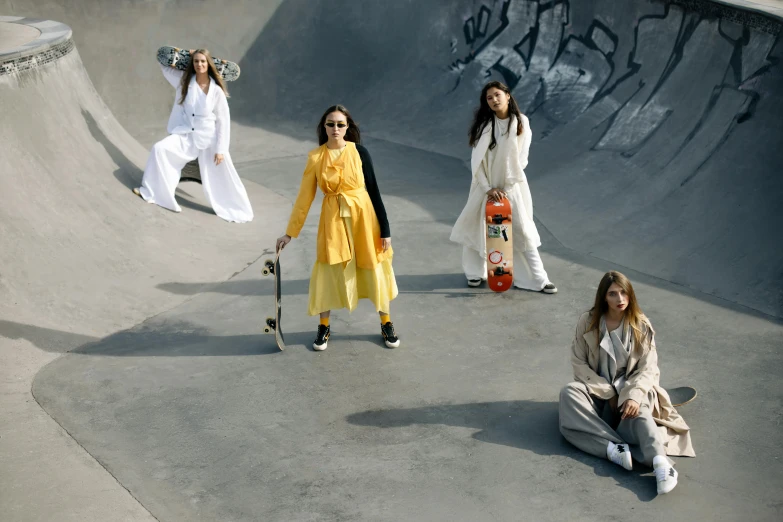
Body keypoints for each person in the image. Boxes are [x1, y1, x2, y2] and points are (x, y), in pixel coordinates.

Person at [559, 271, 695, 495]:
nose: (619, 299)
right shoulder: (588, 321)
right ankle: (613, 449)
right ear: (604, 297)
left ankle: (661, 463)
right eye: (613, 294)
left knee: (639, 409)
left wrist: (632, 394)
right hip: (598, 392)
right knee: (569, 393)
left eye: (624, 293)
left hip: (631, 389)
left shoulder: (641, 324)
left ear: (630, 295)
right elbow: (578, 362)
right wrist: (608, 392)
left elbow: (648, 368)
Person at [276, 105, 399, 351]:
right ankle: (324, 326)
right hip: (332, 219)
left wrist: (385, 229)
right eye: (330, 124)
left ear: (348, 127)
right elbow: (304, 198)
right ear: (324, 127)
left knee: (373, 267)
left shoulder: (360, 152)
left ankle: (386, 322)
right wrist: (290, 232)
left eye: (340, 124)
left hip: (364, 218)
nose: (335, 128)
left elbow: (374, 191)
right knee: (328, 269)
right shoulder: (316, 157)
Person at [450, 81, 556, 293]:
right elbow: (476, 161)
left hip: (512, 184)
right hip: (484, 185)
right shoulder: (484, 126)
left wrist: (505, 189)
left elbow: (521, 159)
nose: (494, 100)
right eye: (489, 98)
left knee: (521, 229)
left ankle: (538, 279)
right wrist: (488, 187)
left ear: (508, 96)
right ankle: (474, 273)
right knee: (475, 224)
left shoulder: (521, 122)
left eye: (497, 95)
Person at [133, 48, 254, 223]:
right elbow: (164, 65)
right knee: (160, 149)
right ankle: (152, 192)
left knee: (224, 175)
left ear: (209, 64)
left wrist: (220, 150)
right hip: (186, 134)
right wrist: (184, 54)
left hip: (209, 139)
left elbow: (223, 121)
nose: (199, 64)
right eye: (196, 61)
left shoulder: (216, 91)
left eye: (203, 61)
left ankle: (237, 208)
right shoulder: (184, 82)